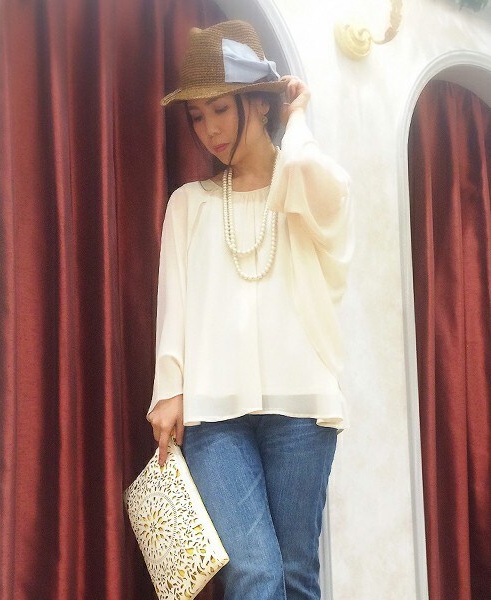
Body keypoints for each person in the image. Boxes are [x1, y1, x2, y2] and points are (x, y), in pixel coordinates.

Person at [146, 20, 353, 600]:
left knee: (296, 575)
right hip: (214, 415)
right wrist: (169, 387)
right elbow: (173, 301)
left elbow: (310, 173)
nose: (208, 129)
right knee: (254, 572)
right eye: (197, 116)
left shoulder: (303, 188)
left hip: (301, 408)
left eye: (220, 108)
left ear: (260, 104)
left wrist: (298, 117)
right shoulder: (189, 204)